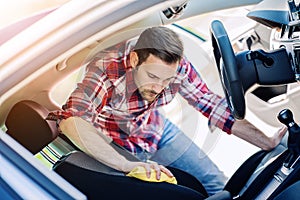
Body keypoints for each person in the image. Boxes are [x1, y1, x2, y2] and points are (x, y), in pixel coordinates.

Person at [48, 26, 287, 196]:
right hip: (115, 147)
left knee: (217, 186)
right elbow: (72, 120)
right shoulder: (106, 68)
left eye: (167, 79)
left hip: (155, 130)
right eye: (152, 77)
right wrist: (126, 166)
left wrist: (266, 141)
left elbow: (210, 104)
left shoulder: (177, 66)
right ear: (133, 60)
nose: (160, 88)